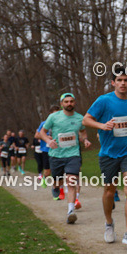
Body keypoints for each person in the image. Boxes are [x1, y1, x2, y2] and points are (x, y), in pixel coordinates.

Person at [83, 70, 127, 246]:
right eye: (119, 80)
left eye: (126, 80)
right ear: (113, 83)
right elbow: (86, 120)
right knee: (109, 192)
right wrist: (102, 126)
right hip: (108, 154)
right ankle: (109, 223)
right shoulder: (103, 100)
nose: (123, 83)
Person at [39, 93, 92, 224]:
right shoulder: (53, 117)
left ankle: (70, 211)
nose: (69, 103)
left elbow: (83, 131)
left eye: (71, 101)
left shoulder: (79, 118)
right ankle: (56, 186)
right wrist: (48, 141)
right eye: (66, 101)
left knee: (71, 180)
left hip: (73, 154)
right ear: (62, 103)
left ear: (74, 102)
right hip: (56, 155)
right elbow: (42, 132)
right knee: (58, 181)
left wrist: (85, 139)